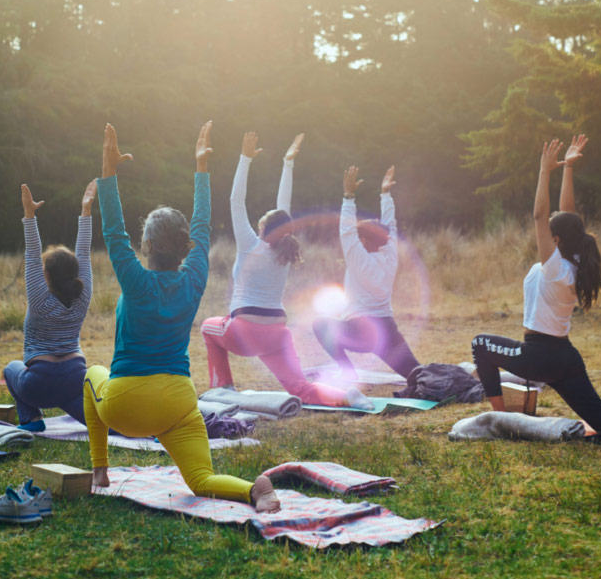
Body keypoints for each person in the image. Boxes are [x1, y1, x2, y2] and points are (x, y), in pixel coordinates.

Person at [84, 122, 280, 512]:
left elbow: (113, 230)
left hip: (126, 407)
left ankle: (99, 470)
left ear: (149, 245)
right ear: (184, 246)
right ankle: (253, 489)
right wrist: (201, 171)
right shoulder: (194, 280)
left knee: (92, 372)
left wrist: (108, 174)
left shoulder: (135, 280)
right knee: (201, 480)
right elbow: (203, 228)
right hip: (178, 402)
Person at [201, 132, 372, 408]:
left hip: (244, 331)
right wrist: (288, 163)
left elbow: (236, 200)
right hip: (278, 334)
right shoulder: (284, 251)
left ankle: (224, 388)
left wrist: (245, 159)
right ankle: (347, 396)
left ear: (262, 228)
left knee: (208, 329)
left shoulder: (250, 244)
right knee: (300, 387)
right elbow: (285, 208)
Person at [472, 136, 601, 432]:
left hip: (539, 356)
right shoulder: (574, 260)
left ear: (555, 239)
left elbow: (539, 215)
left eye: (551, 229)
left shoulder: (555, 266)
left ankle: (503, 421)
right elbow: (566, 214)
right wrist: (568, 167)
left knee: (479, 344)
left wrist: (545, 170)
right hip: (565, 358)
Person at [313, 164, 420, 381]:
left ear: (362, 240)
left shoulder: (358, 260)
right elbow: (390, 225)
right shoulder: (390, 255)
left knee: (320, 324)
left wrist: (348, 196)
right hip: (387, 332)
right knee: (419, 375)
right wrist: (385, 194)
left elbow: (346, 232)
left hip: (360, 332)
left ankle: (348, 372)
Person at [3, 179, 96, 430]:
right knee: (102, 422)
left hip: (39, 385)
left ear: (45, 276)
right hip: (76, 379)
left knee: (10, 369)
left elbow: (32, 254)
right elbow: (84, 252)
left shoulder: (39, 299)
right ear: (75, 274)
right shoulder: (83, 295)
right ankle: (137, 427)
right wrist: (86, 211)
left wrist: (29, 215)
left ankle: (32, 419)